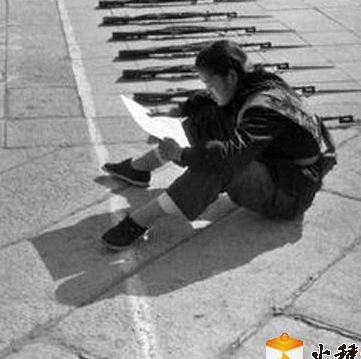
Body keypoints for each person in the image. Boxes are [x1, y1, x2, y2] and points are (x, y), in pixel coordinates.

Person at [100, 40, 336, 251]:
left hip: (288, 194)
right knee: (208, 118)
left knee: (220, 165)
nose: (207, 89)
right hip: (277, 165)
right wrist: (178, 112)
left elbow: (227, 157)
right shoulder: (256, 81)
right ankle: (139, 170)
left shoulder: (262, 110)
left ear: (231, 76)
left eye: (209, 83)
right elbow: (210, 100)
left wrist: (181, 154)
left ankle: (138, 222)